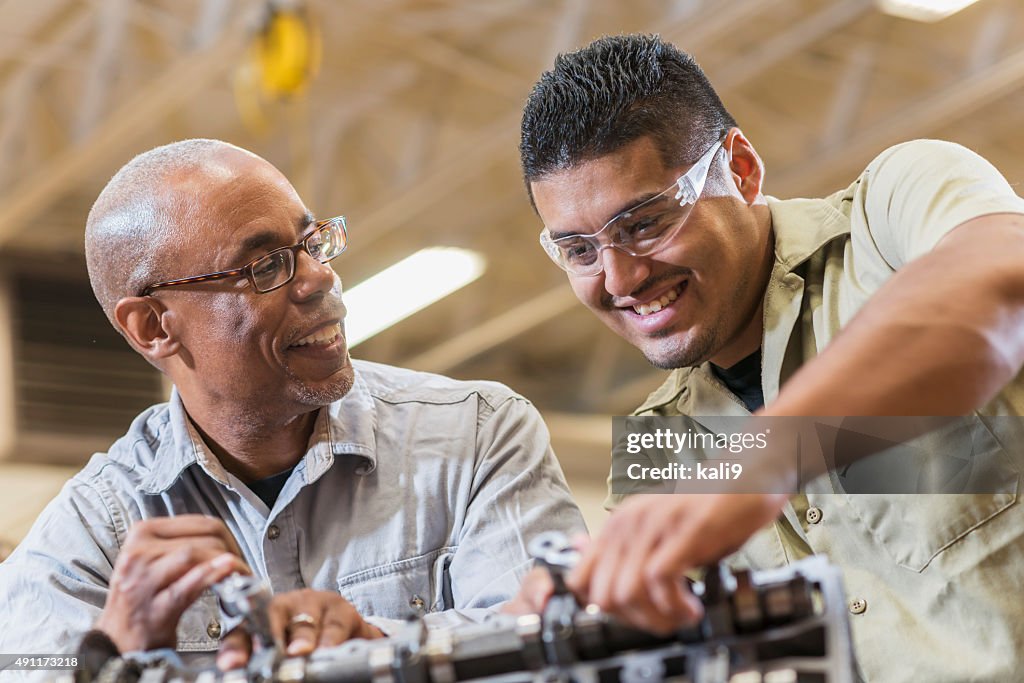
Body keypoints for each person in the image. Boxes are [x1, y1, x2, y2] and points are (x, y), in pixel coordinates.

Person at [516, 34, 1024, 682]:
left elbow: (1000, 278)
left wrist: (752, 466)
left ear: (742, 169)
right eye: (580, 250)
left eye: (644, 223)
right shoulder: (656, 446)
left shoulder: (893, 214)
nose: (618, 278)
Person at [0, 139, 585, 673]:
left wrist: (377, 654)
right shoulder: (95, 537)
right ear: (154, 326)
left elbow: (563, 651)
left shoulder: (477, 435)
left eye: (312, 243)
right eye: (266, 266)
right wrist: (112, 658)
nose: (320, 278)